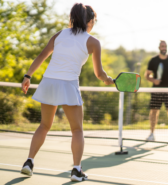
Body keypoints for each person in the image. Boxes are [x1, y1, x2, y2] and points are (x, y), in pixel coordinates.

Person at [20, 3, 114, 182]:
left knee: (44, 125)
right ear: (91, 20)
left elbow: (42, 55)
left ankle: (29, 162)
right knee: (77, 130)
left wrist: (27, 76)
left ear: (73, 18)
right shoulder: (93, 42)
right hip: (68, 85)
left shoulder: (60, 34)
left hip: (48, 82)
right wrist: (107, 79)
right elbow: (99, 74)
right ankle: (76, 170)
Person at [145, 40, 168, 143]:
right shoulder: (153, 60)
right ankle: (152, 134)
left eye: (165, 46)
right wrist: (154, 80)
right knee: (154, 111)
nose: (163, 48)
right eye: (162, 46)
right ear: (159, 48)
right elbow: (147, 75)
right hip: (156, 90)